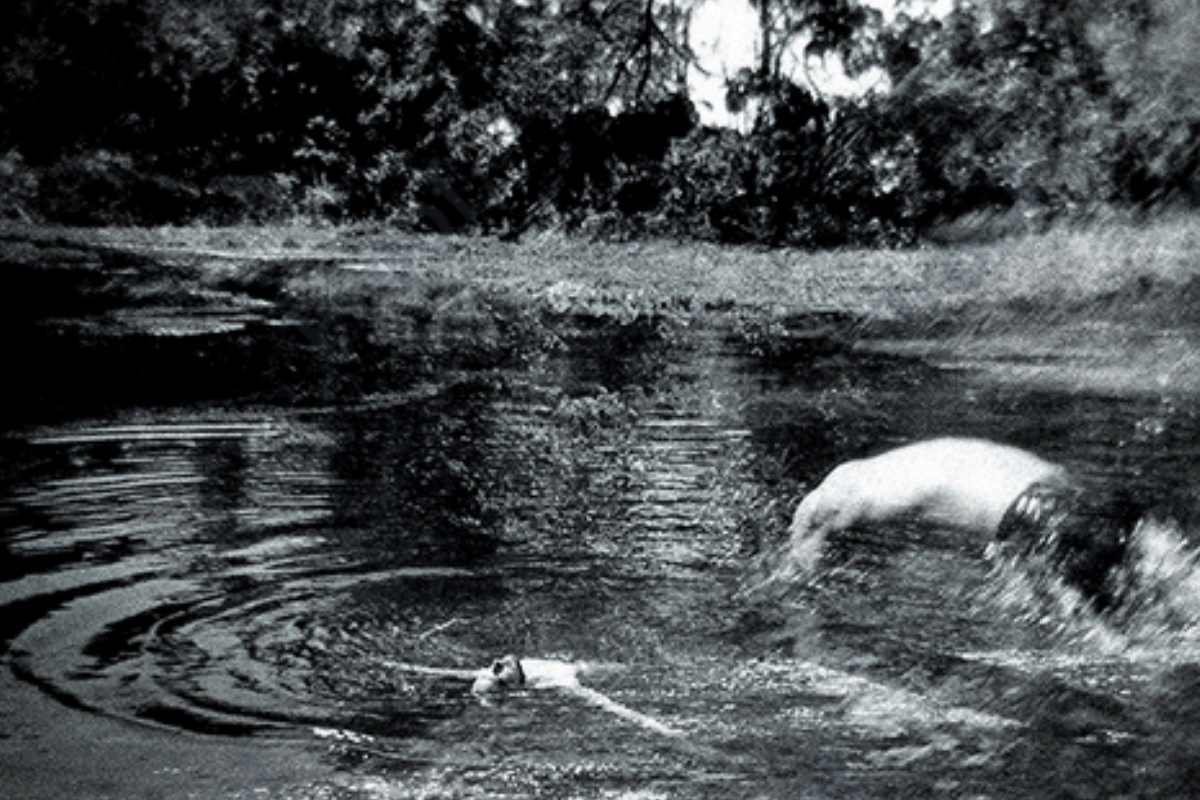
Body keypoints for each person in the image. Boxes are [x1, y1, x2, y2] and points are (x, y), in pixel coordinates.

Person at [776, 437, 1143, 609]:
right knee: (1154, 609)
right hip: (1092, 499)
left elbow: (800, 573)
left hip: (1038, 519)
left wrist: (791, 588)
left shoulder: (840, 494)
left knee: (1112, 646)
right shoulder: (912, 460)